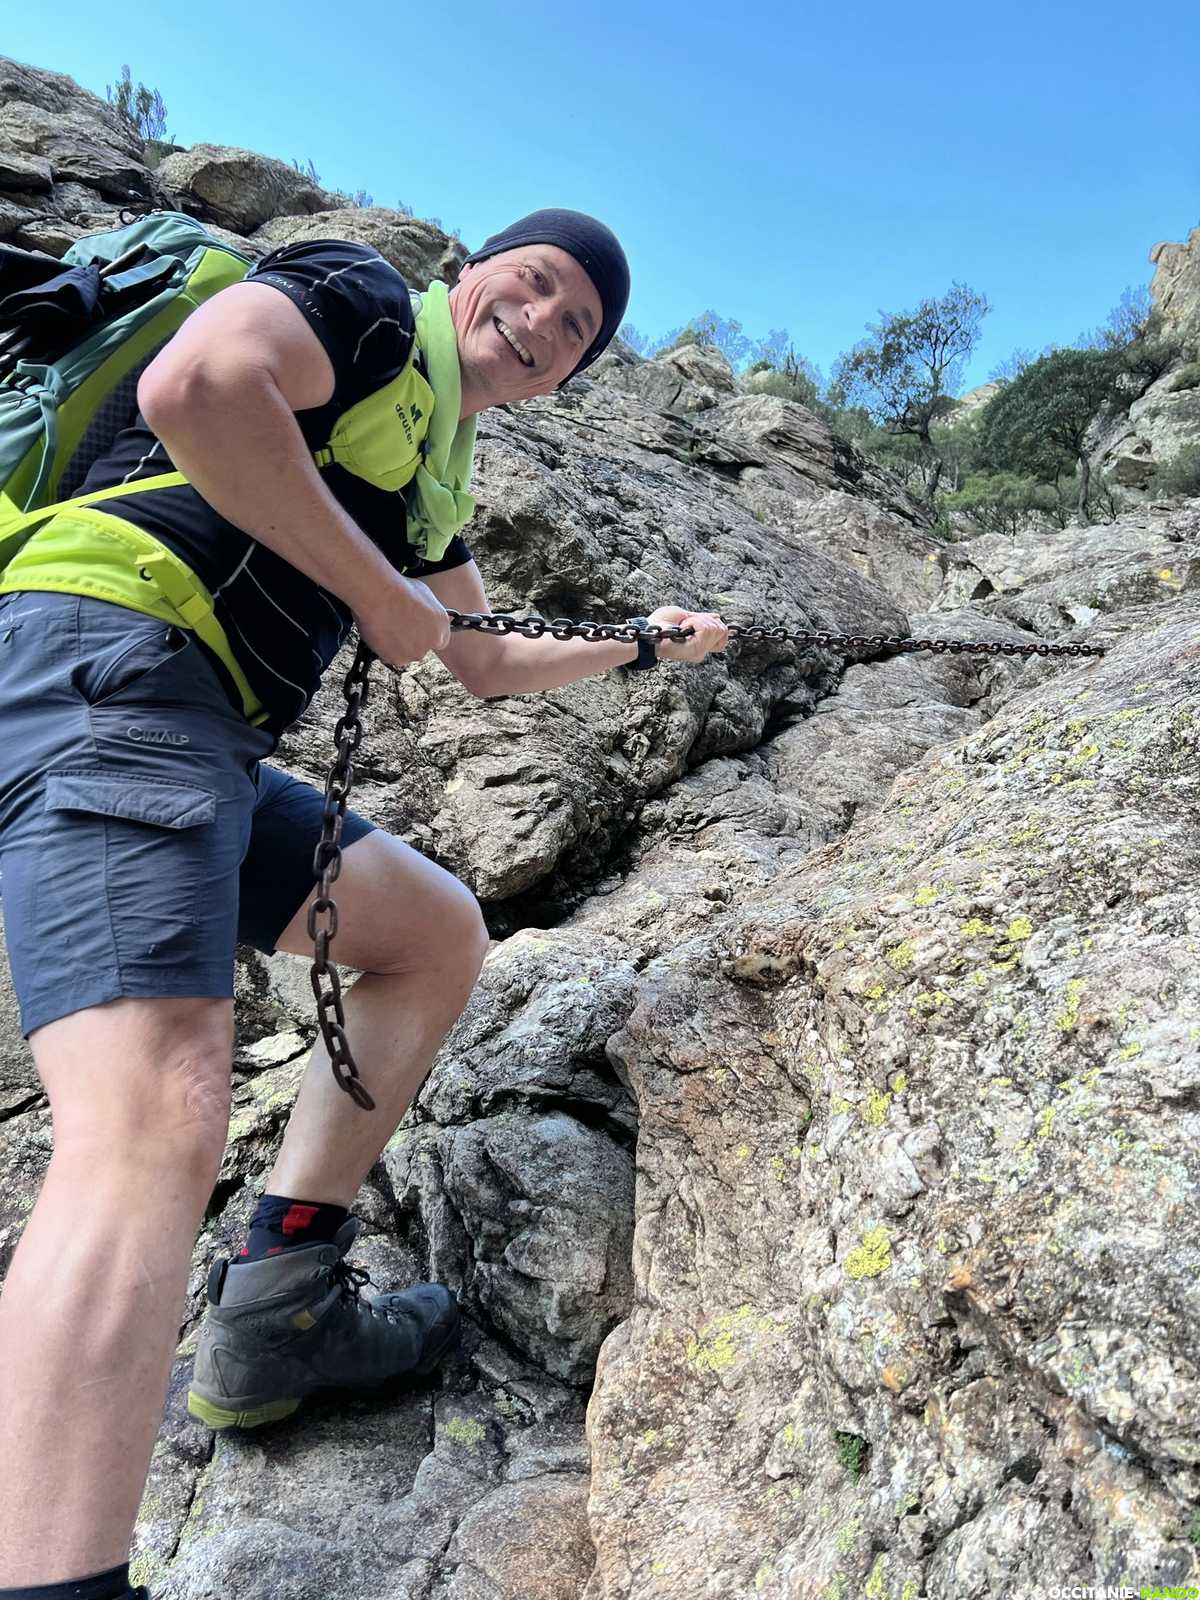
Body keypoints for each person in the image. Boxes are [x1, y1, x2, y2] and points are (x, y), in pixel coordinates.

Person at [0, 208, 729, 1600]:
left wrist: (647, 645)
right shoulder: (360, 301)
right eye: (534, 286)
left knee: (431, 932)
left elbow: (479, 658)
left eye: (574, 330)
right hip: (99, 663)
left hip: (192, 724)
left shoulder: (431, 458)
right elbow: (202, 388)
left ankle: (277, 1310)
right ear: (475, 276)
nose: (543, 324)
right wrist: (379, 592)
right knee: (154, 1111)